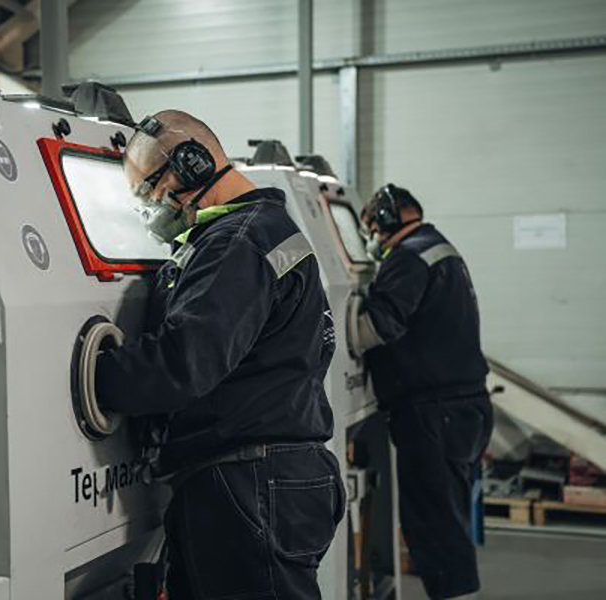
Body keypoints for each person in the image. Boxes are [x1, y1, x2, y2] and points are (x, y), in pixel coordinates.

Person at [95, 110, 344, 599]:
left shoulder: (236, 242)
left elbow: (182, 363)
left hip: (248, 483)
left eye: (149, 188)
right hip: (276, 475)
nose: (150, 205)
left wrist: (88, 376)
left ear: (191, 164)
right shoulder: (269, 229)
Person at [349, 184, 493, 600]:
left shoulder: (408, 258)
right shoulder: (439, 248)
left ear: (388, 220)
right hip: (465, 408)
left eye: (372, 228)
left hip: (434, 414)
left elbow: (375, 328)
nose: (372, 238)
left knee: (433, 525)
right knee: (448, 517)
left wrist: (335, 331)